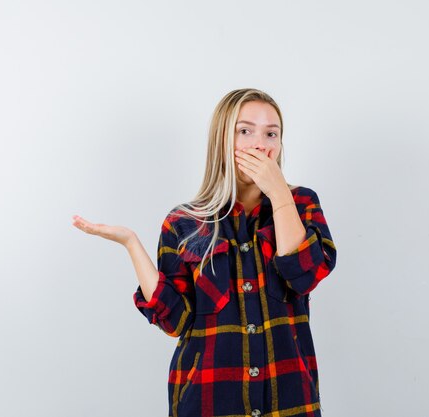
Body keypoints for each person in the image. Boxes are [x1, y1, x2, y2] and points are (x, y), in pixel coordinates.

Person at [72, 88, 337, 417]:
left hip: (289, 400)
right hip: (207, 401)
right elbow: (175, 320)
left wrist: (278, 191)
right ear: (222, 140)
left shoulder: (301, 204)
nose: (260, 144)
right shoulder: (184, 222)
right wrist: (131, 243)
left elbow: (304, 275)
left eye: (272, 133)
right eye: (245, 131)